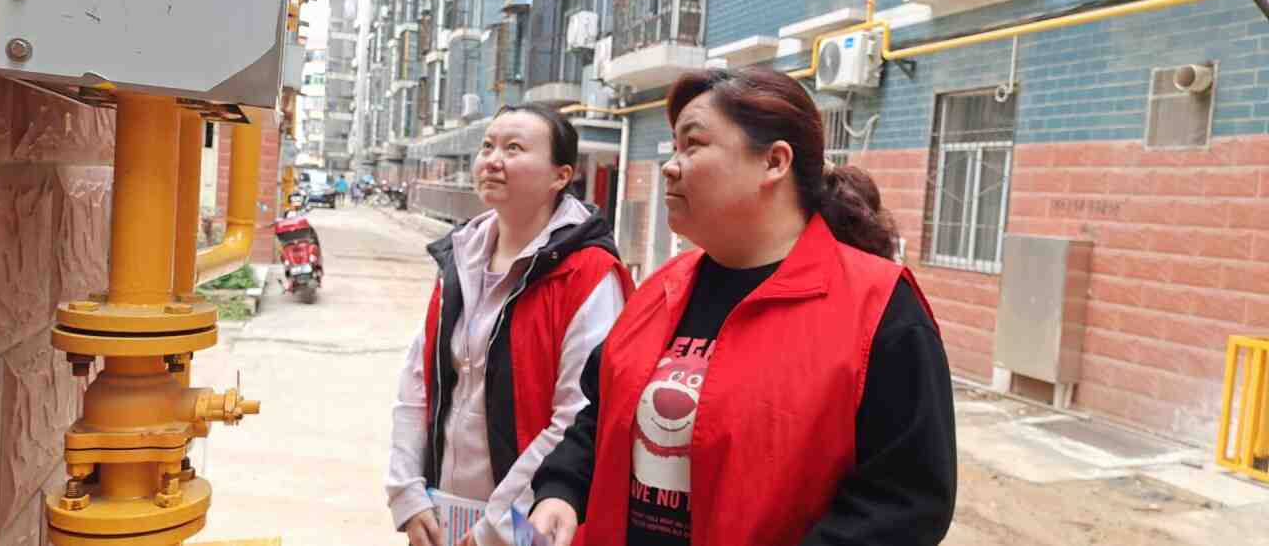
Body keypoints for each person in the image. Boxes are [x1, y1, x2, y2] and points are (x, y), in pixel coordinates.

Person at [528, 68, 957, 546]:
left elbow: (906, 501)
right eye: (674, 147)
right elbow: (601, 413)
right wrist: (561, 490)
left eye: (693, 145)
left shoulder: (879, 308)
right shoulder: (661, 289)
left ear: (774, 162)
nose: (670, 166)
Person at [387, 104, 634, 546]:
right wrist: (407, 492)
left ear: (560, 176)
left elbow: (578, 415)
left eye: (514, 148)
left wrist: (497, 529)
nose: (493, 160)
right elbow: (418, 380)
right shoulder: (460, 258)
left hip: (530, 524)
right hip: (441, 513)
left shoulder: (589, 276)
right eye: (488, 146)